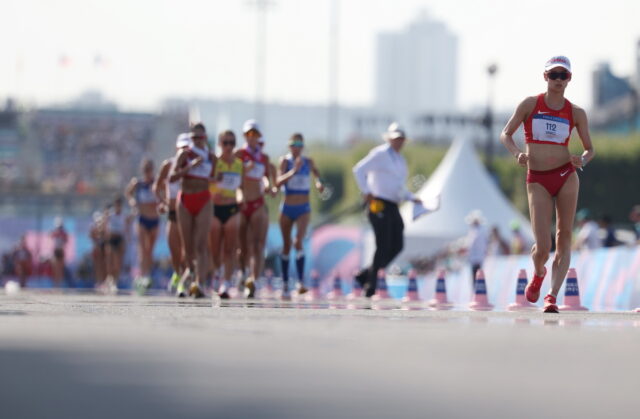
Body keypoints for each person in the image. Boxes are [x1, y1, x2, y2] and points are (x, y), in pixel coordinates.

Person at [500, 55, 595, 313]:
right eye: (553, 74)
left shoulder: (576, 112)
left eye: (563, 75)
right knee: (542, 246)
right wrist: (517, 153)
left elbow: (590, 149)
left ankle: (552, 296)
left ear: (569, 79)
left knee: (564, 237)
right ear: (545, 77)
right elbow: (505, 133)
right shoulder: (530, 104)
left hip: (566, 175)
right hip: (538, 179)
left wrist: (582, 160)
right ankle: (539, 272)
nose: (558, 80)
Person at [352, 122, 422, 298]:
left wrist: (411, 197)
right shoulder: (380, 154)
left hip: (392, 204)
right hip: (378, 203)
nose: (398, 142)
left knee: (397, 244)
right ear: (390, 139)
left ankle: (366, 274)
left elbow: (399, 187)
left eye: (401, 139)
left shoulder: (400, 160)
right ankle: (372, 285)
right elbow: (359, 170)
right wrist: (366, 191)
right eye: (396, 138)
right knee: (383, 244)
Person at [275, 133, 324, 300]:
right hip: (287, 207)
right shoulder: (285, 161)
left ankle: (301, 282)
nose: (296, 147)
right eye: (293, 144)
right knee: (287, 245)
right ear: (289, 146)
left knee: (298, 241)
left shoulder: (308, 162)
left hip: (303, 208)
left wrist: (319, 183)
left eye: (299, 144)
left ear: (302, 146)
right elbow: (278, 182)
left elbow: (317, 174)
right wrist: (293, 171)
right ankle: (285, 284)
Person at [169, 123, 216, 298]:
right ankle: (187, 275)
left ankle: (200, 283)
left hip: (203, 199)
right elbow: (172, 177)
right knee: (187, 246)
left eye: (200, 137)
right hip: (185, 200)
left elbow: (214, 177)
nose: (197, 140)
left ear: (205, 138)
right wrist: (191, 167)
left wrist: (215, 178)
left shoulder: (212, 157)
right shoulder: (185, 154)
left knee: (201, 244)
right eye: (194, 137)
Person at [235, 119, 275, 298]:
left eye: (255, 134)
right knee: (243, 246)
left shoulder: (263, 157)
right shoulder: (238, 154)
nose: (252, 137)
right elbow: (233, 175)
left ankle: (254, 278)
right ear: (245, 136)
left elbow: (266, 177)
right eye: (249, 134)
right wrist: (245, 169)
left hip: (258, 202)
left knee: (258, 244)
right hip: (242, 202)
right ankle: (242, 272)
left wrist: (268, 185)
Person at [154, 133, 190, 293]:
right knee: (174, 251)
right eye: (182, 147)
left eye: (187, 148)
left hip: (188, 212)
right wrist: (162, 202)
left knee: (187, 251)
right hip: (173, 212)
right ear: (177, 147)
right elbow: (157, 186)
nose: (184, 151)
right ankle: (177, 273)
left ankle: (184, 280)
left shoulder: (194, 167)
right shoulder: (168, 165)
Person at [210, 130, 243, 299]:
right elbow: (207, 181)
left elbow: (241, 188)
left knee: (230, 248)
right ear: (220, 144)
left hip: (231, 208)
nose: (229, 146)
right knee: (215, 249)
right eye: (225, 143)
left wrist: (240, 199)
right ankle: (217, 272)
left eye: (232, 142)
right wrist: (215, 182)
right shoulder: (215, 162)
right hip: (215, 209)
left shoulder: (238, 164)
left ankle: (226, 282)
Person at [125, 159, 160, 291]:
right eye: (146, 169)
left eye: (150, 169)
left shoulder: (156, 183)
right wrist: (132, 202)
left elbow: (163, 194)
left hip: (154, 219)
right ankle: (142, 275)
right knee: (143, 248)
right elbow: (128, 193)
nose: (148, 172)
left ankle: (147, 275)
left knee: (150, 250)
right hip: (142, 219)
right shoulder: (137, 183)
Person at [463, 210, 490, 287]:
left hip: (477, 258)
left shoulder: (479, 230)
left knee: (477, 277)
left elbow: (471, 244)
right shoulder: (476, 230)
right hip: (475, 258)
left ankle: (478, 292)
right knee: (476, 277)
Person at [105, 198, 126, 291]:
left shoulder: (123, 215)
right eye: (116, 205)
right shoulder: (110, 215)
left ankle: (115, 281)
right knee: (110, 260)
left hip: (119, 239)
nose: (118, 207)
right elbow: (105, 224)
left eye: (119, 205)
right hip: (111, 239)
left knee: (117, 262)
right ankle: (110, 278)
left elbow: (126, 227)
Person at [89, 211, 107, 288]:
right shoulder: (93, 228)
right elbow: (91, 237)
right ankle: (98, 281)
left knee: (104, 265)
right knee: (97, 266)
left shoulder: (104, 227)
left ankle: (103, 281)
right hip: (97, 248)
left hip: (103, 247)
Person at [50, 217, 68, 286]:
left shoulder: (64, 233)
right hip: (55, 251)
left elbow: (66, 241)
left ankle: (59, 284)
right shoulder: (55, 232)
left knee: (60, 269)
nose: (59, 228)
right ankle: (55, 284)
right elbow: (51, 236)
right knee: (55, 269)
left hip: (61, 251)